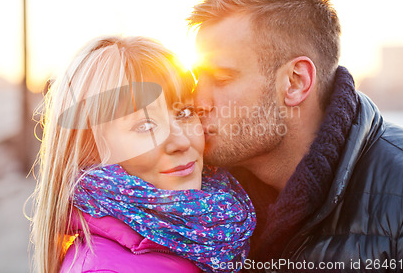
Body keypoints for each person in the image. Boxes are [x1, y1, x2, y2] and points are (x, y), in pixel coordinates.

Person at [188, 0, 403, 271]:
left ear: (295, 82)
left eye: (221, 78)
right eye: (196, 79)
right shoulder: (193, 193)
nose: (198, 101)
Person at [31, 36, 256, 273]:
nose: (181, 141)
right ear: (91, 152)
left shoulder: (214, 226)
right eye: (145, 126)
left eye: (185, 112)